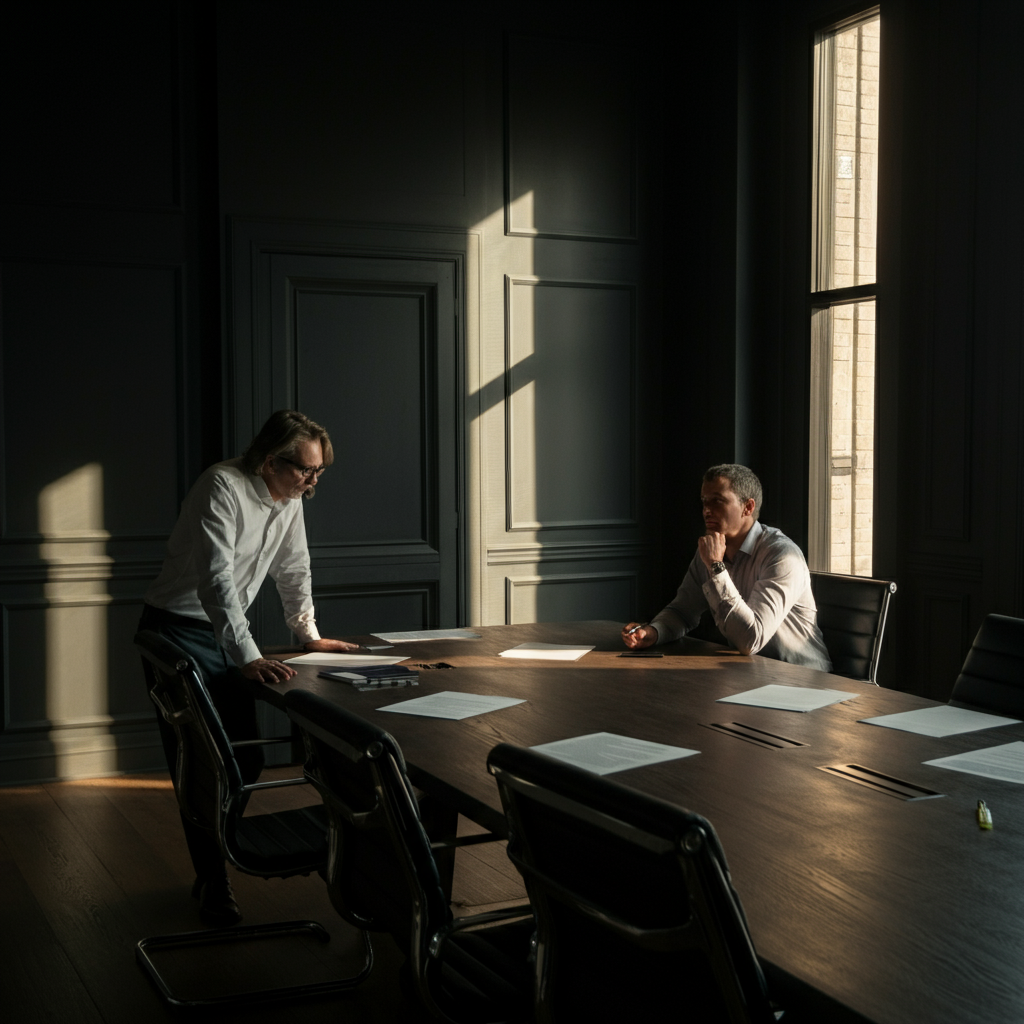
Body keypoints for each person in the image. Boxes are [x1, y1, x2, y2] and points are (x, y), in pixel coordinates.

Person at [139, 410, 357, 925]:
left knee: (245, 761)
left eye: (319, 472)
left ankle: (218, 847)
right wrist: (250, 656)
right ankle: (215, 877)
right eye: (305, 470)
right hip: (175, 629)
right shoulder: (221, 486)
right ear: (266, 460)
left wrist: (308, 635)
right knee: (201, 763)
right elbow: (216, 581)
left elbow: (293, 566)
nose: (311, 481)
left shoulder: (290, 499)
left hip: (223, 633)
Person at [622, 464, 831, 671]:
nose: (706, 510)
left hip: (803, 679)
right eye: (704, 501)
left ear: (748, 507)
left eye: (718, 500)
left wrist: (716, 567)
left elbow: (751, 640)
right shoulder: (711, 550)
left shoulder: (782, 555)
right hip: (752, 674)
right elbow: (683, 611)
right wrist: (653, 632)